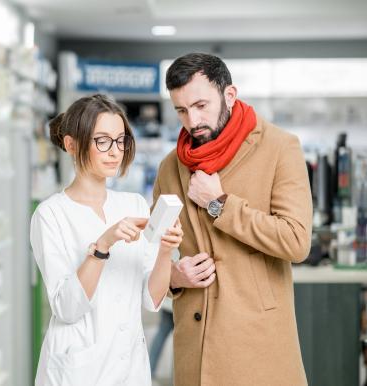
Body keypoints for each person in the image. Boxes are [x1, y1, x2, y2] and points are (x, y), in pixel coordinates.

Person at [153, 53, 312, 385]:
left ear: (229, 95)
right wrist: (175, 277)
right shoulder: (171, 167)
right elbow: (154, 254)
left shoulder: (280, 148)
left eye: (201, 106)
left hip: (257, 346)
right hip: (194, 348)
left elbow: (296, 241)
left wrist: (219, 204)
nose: (192, 121)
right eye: (181, 110)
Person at [30, 94, 184, 386]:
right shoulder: (50, 214)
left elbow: (152, 300)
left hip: (130, 368)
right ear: (72, 145)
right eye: (102, 140)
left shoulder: (134, 204)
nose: (114, 151)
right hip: (77, 371)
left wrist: (166, 250)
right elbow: (67, 308)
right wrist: (102, 246)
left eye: (120, 140)